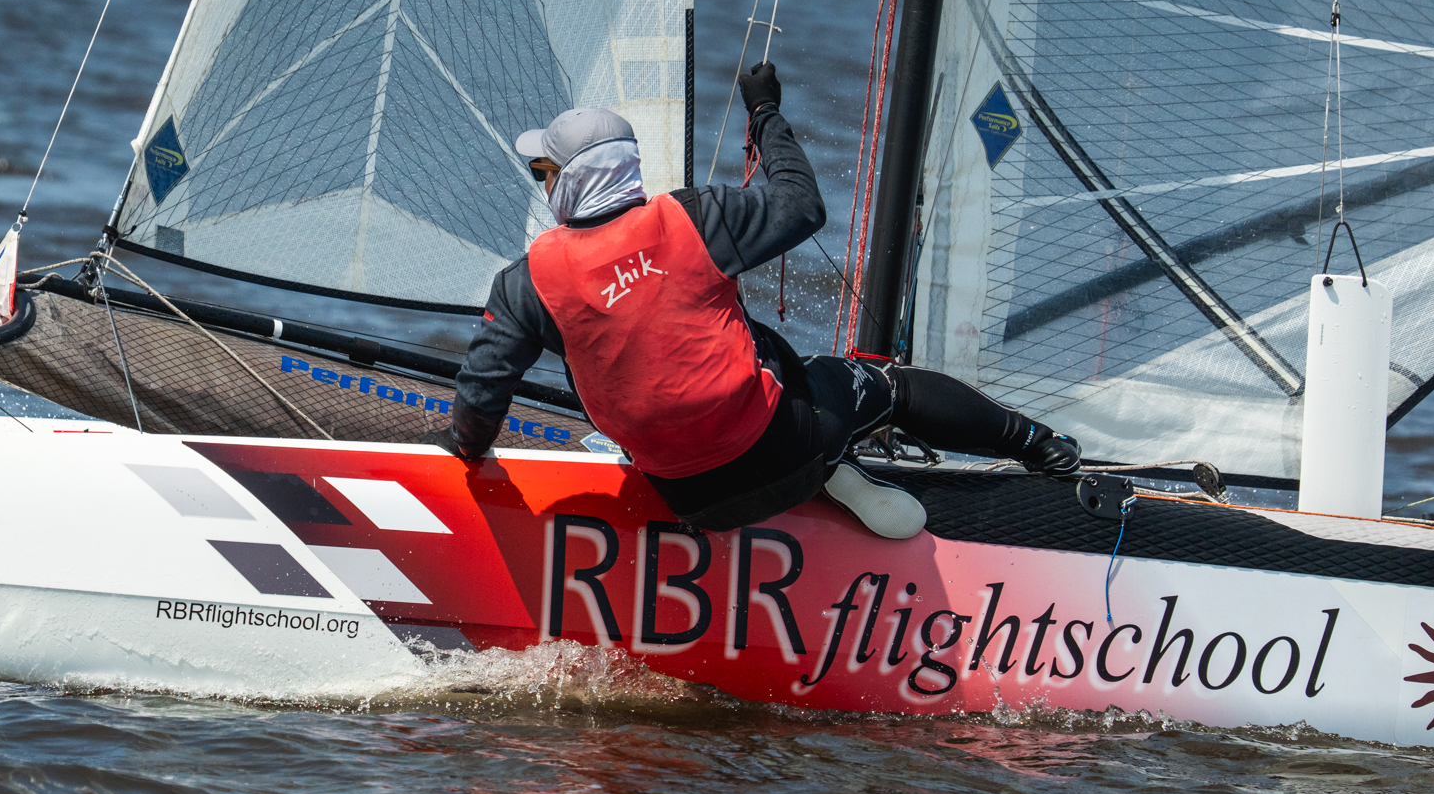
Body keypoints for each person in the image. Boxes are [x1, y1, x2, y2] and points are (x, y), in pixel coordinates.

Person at [446, 61, 1081, 539]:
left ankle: (831, 467)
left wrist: (465, 454)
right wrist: (765, 112)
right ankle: (1038, 444)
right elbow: (802, 206)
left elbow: (482, 392)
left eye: (544, 172)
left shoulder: (525, 282)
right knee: (887, 386)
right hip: (786, 451)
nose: (544, 185)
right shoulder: (693, 218)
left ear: (572, 178)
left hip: (687, 498)